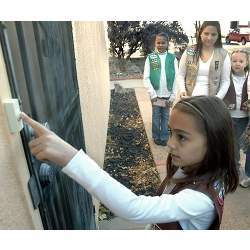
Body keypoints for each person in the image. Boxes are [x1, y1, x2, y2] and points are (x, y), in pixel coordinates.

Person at [21, 95, 238, 230]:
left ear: (214, 142)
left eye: (181, 136)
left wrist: (70, 157)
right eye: (171, 132)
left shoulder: (198, 200)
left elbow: (133, 208)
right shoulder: (197, 168)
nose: (170, 144)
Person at [177, 21, 230, 100]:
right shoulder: (189, 51)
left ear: (218, 36)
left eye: (213, 34)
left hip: (210, 103)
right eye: (206, 33)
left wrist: (217, 99)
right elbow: (180, 75)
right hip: (188, 100)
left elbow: (225, 81)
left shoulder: (223, 55)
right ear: (200, 33)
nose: (209, 37)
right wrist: (182, 90)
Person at [143, 32, 178, 146]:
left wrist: (173, 95)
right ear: (155, 43)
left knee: (165, 116)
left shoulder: (172, 58)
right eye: (158, 42)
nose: (160, 45)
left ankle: (164, 137)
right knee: (156, 116)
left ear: (167, 43)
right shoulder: (151, 58)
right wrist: (152, 94)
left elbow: (176, 78)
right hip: (156, 96)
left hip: (167, 95)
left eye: (163, 43)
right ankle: (156, 136)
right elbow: (146, 78)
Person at [224, 49, 250, 187]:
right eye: (234, 61)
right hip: (231, 116)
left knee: (248, 146)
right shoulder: (227, 76)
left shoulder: (249, 76)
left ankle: (249, 174)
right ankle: (235, 171)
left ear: (246, 63)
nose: (237, 64)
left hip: (246, 117)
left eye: (241, 61)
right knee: (233, 146)